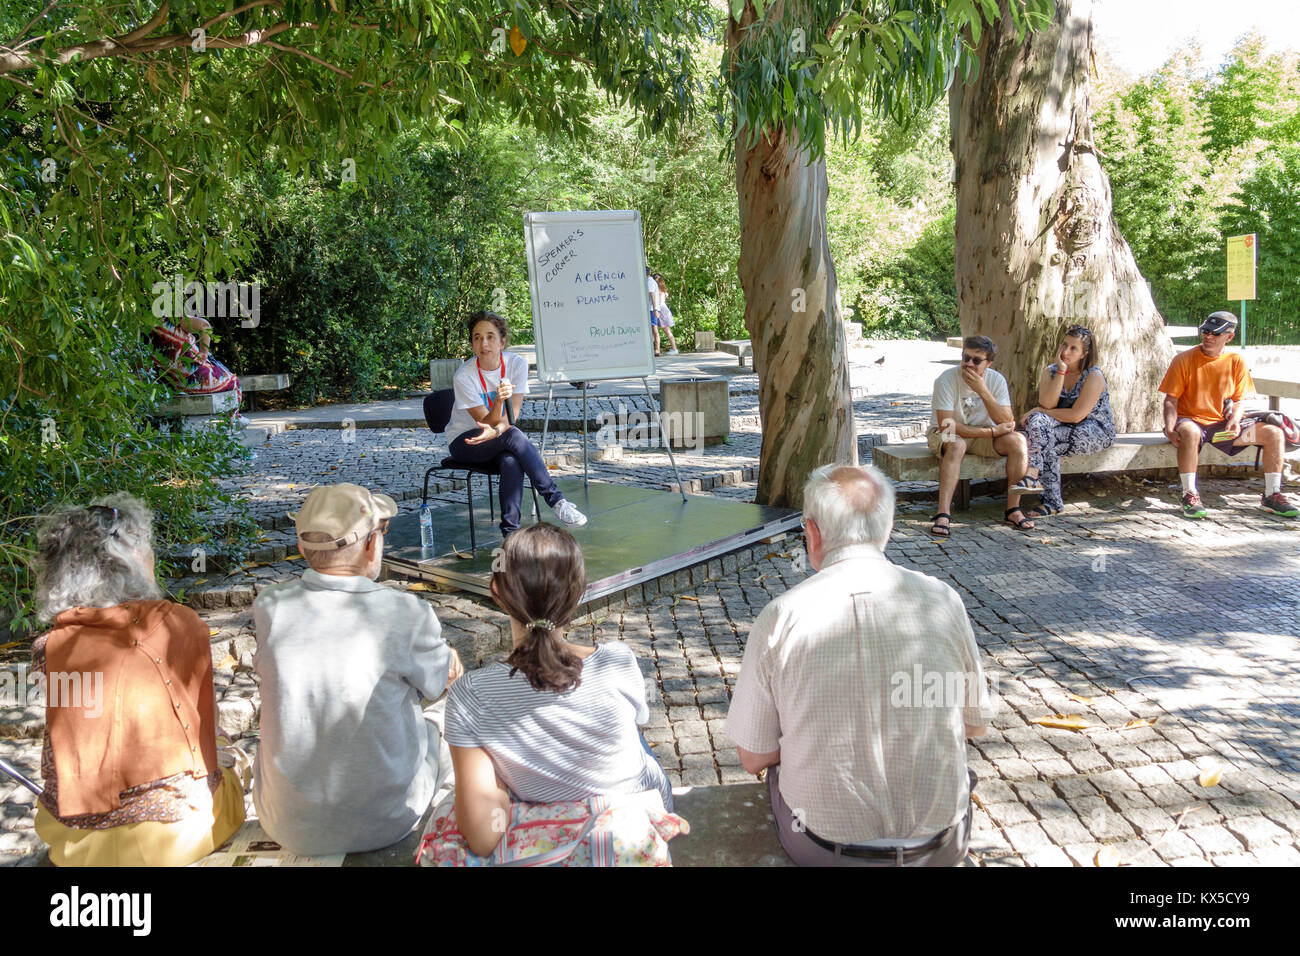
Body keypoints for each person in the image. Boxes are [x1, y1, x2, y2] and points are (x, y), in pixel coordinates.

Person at [726, 464, 995, 867]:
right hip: (940, 844)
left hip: (823, 849)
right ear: (886, 529)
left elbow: (754, 757)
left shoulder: (780, 616)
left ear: (812, 534)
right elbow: (976, 725)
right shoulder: (944, 601)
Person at [30, 493, 244, 866]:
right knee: (232, 765)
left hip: (77, 847)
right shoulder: (182, 623)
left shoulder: (48, 647)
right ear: (133, 561)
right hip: (174, 839)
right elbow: (199, 736)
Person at [253, 483, 465, 856]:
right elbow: (440, 681)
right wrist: (449, 660)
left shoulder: (269, 606)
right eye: (381, 531)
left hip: (288, 823)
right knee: (448, 713)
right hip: (389, 821)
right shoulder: (406, 612)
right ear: (371, 544)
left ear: (302, 549)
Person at [444, 523, 672, 858]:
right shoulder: (618, 660)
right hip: (634, 830)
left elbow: (482, 837)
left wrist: (496, 763)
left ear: (495, 590)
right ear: (578, 595)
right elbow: (639, 717)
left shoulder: (469, 695)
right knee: (636, 734)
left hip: (543, 826)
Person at [444, 310, 587, 537]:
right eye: (477, 337)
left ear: (502, 341)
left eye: (490, 336)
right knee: (513, 436)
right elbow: (484, 422)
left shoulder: (516, 364)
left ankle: (510, 535)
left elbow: (513, 417)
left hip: (499, 436)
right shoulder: (464, 376)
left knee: (511, 460)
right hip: (467, 440)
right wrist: (500, 400)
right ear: (472, 344)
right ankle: (556, 501)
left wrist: (499, 430)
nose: (484, 343)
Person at [1159, 311, 1298, 519]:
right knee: (1189, 431)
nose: (1208, 337)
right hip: (1191, 421)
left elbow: (1240, 399)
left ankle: (1272, 494)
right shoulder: (1183, 359)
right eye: (1205, 331)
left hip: (1222, 426)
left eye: (1215, 333)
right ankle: (1189, 494)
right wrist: (1170, 428)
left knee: (1274, 433)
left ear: (1229, 337)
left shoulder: (1236, 361)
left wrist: (1234, 419)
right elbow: (1171, 400)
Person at [927, 335, 1034, 535]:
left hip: (982, 435)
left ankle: (1013, 508)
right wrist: (992, 431)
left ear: (989, 363)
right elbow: (946, 425)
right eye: (966, 358)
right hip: (946, 433)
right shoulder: (946, 379)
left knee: (1018, 441)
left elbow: (1007, 420)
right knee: (956, 445)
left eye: (976, 361)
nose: (969, 364)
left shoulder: (996, 380)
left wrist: (982, 391)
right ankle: (943, 513)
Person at [1009, 325, 1116, 517]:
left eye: (1073, 348)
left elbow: (1077, 415)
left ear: (1085, 353)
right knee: (1038, 424)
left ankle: (1046, 494)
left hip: (1095, 430)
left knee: (1045, 435)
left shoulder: (1093, 376)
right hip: (1063, 426)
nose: (1065, 351)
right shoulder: (1050, 371)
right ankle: (1036, 481)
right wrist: (1061, 371)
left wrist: (1040, 410)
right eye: (1064, 345)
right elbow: (1048, 404)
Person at [151, 305, 244, 423]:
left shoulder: (139, 322)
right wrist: (203, 353)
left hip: (165, 381)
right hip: (195, 379)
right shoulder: (172, 315)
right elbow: (204, 326)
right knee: (234, 381)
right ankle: (234, 419)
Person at [652, 273, 679, 355]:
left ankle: (674, 349)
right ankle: (672, 349)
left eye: (657, 278)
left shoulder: (658, 289)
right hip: (661, 309)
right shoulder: (662, 288)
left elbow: (659, 301)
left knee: (666, 331)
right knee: (655, 331)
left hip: (661, 310)